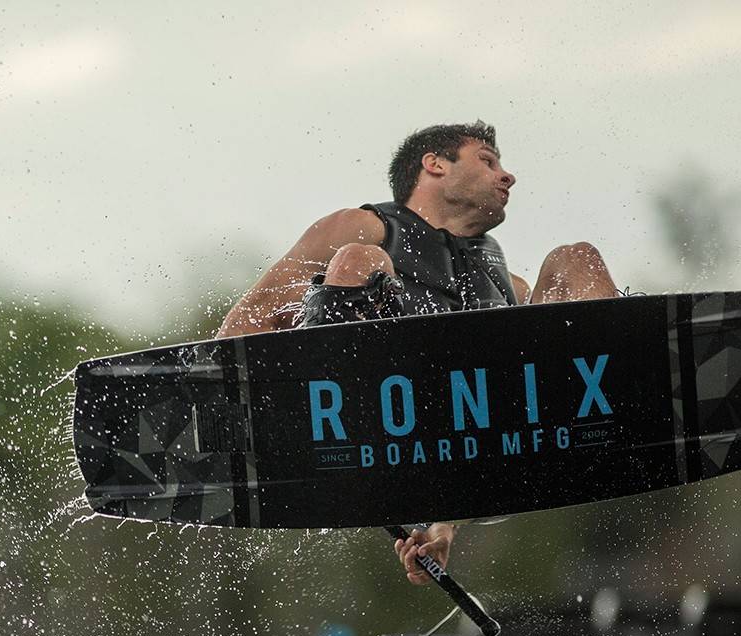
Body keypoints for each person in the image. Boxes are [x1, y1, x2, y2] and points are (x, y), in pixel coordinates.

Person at [217, 121, 621, 586]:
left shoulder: (510, 286)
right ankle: (329, 429)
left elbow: (477, 411)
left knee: (577, 259)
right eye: (487, 161)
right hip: (366, 425)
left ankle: (617, 399)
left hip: (497, 448)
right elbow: (249, 321)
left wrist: (441, 527)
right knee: (359, 259)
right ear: (434, 165)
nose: (507, 175)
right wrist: (238, 405)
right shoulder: (364, 227)